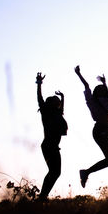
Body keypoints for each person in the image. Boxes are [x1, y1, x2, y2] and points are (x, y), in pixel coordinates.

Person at [75, 66, 108, 188]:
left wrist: (104, 83)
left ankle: (86, 172)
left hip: (105, 130)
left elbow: (107, 93)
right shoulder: (91, 100)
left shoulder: (106, 100)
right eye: (99, 89)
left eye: (103, 90)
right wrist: (79, 74)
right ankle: (86, 172)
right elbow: (86, 85)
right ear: (96, 92)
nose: (102, 91)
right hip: (100, 130)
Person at [36, 72, 68, 200]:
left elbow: (61, 108)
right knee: (54, 172)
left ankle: (43, 196)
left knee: (55, 172)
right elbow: (39, 98)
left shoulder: (57, 113)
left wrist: (63, 97)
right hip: (49, 146)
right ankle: (42, 196)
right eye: (57, 101)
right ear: (51, 103)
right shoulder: (46, 112)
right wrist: (39, 83)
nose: (59, 102)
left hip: (53, 146)